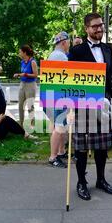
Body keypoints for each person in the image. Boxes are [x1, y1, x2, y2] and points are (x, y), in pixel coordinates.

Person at [68, 12, 112, 201]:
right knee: (82, 147)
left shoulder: (108, 49)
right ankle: (81, 182)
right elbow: (70, 81)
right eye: (94, 26)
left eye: (101, 25)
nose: (99, 28)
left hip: (105, 104)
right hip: (83, 104)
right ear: (87, 29)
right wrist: (70, 108)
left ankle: (101, 179)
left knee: (102, 146)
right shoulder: (76, 51)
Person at [45, 32, 72, 168]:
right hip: (59, 96)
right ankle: (53, 157)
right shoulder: (61, 56)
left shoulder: (53, 55)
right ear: (63, 42)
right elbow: (66, 78)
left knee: (61, 125)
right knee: (59, 126)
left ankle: (61, 151)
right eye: (68, 42)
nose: (69, 45)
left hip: (55, 95)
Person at [14, 44, 38, 129]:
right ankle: (21, 125)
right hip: (22, 84)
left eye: (20, 52)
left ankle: (32, 125)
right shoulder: (22, 62)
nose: (19, 53)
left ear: (25, 52)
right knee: (20, 105)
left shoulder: (32, 61)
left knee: (30, 106)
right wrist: (19, 75)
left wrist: (26, 74)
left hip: (30, 85)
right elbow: (22, 73)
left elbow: (36, 75)